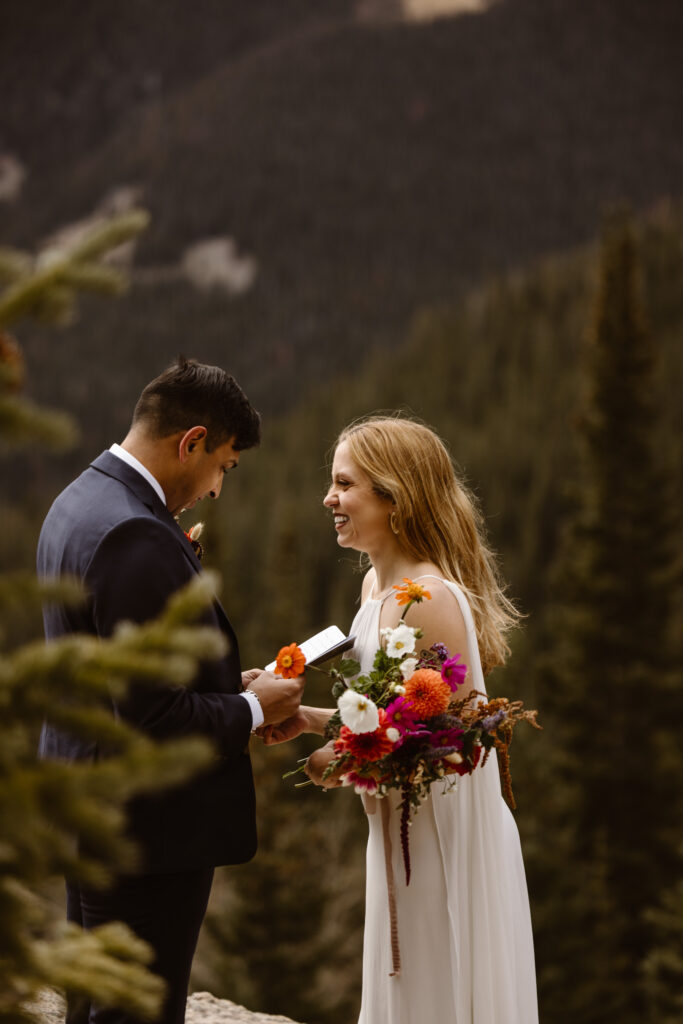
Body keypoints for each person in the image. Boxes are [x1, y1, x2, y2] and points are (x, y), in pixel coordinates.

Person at [37, 357, 305, 1024]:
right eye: (224, 467)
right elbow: (154, 717)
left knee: (94, 1007)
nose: (217, 490)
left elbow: (123, 676)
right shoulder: (135, 534)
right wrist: (252, 707)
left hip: (88, 802)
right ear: (191, 442)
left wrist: (222, 682)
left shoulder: (80, 499)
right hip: (144, 832)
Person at [265, 415, 538, 1023]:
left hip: (440, 837)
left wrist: (334, 759)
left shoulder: (431, 599)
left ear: (395, 496)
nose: (329, 498)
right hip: (396, 831)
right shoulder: (374, 589)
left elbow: (441, 739)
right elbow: (391, 711)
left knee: (434, 985)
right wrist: (307, 718)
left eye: (345, 484)